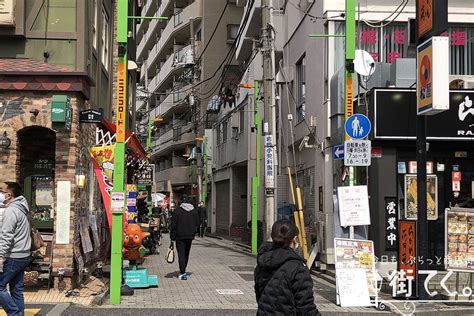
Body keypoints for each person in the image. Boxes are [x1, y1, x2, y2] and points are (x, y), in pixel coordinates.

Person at [254, 219, 319, 316]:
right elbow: (305, 306)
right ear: (295, 239)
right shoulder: (298, 268)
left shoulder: (262, 262)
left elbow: (260, 296)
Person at [0, 182, 32, 316]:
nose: (0, 193)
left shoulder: (11, 210)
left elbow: (6, 235)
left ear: (9, 195)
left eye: (1, 190)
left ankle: (15, 314)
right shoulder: (21, 208)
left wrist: (1, 255)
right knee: (16, 289)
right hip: (23, 255)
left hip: (13, 256)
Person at [170, 199, 199, 280]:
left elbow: (173, 224)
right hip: (190, 236)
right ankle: (184, 270)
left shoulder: (178, 211)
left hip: (180, 236)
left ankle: (182, 272)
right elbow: (197, 223)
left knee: (181, 254)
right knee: (186, 253)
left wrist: (172, 236)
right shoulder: (194, 211)